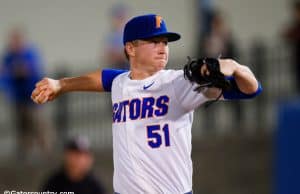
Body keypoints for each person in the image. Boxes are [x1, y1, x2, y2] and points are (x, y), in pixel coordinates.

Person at [31, 14, 262, 193]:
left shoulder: (179, 83)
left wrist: (234, 66)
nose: (162, 47)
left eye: (165, 42)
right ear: (130, 48)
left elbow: (251, 90)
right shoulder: (120, 82)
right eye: (153, 41)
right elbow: (100, 78)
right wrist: (60, 85)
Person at [0, 27, 51, 160]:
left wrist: (16, 71)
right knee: (22, 127)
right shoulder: (9, 56)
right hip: (17, 98)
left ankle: (46, 153)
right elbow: (4, 75)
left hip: (33, 97)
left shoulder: (30, 53)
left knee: (38, 125)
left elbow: (29, 71)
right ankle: (24, 154)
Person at [40, 137, 106, 194]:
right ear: (66, 155)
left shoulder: (94, 185)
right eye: (76, 155)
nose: (80, 160)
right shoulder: (53, 183)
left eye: (84, 155)